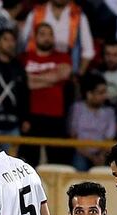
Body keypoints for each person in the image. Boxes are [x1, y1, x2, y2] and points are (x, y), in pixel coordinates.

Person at [20, 22, 71, 166]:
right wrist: (52, 79)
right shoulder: (25, 57)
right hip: (31, 114)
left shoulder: (62, 56)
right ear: (34, 37)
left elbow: (63, 74)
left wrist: (34, 78)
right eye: (42, 34)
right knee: (30, 161)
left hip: (55, 115)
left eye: (50, 34)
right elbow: (25, 83)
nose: (47, 38)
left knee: (56, 160)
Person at [67, 73, 116, 171]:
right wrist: (91, 157)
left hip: (102, 154)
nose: (104, 96)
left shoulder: (109, 112)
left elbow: (109, 138)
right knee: (80, 165)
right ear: (89, 94)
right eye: (101, 93)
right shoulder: (77, 109)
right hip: (81, 153)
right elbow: (73, 137)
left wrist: (101, 156)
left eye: (105, 92)